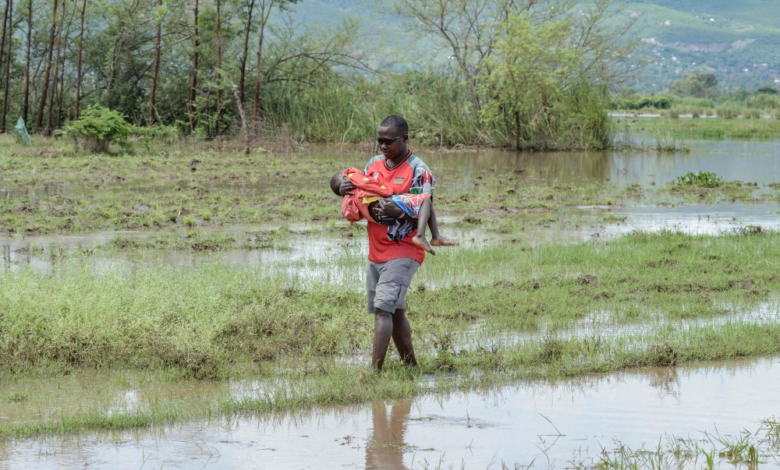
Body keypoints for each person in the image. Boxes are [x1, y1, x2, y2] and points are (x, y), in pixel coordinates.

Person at [337, 115, 441, 373]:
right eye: (379, 141)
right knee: (394, 311)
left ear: (405, 138)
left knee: (383, 309)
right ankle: (411, 368)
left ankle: (374, 374)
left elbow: (426, 209)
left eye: (389, 141)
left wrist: (400, 211)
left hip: (404, 249)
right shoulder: (372, 165)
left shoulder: (419, 171)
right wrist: (343, 188)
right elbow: (359, 193)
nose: (383, 146)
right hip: (376, 250)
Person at [330, 167, 455, 255]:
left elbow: (352, 216)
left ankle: (434, 236)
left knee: (421, 208)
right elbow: (371, 185)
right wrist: (388, 192)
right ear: (344, 176)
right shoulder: (352, 177)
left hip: (379, 217)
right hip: (386, 203)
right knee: (426, 201)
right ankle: (425, 236)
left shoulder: (348, 199)